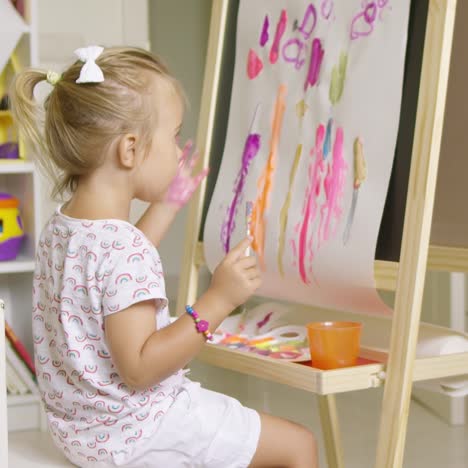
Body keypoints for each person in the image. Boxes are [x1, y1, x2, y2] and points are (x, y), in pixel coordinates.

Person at [11, 45, 318, 467]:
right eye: (174, 136)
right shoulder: (123, 251)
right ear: (130, 150)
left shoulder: (62, 228)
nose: (178, 151)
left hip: (85, 434)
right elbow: (140, 366)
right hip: (139, 432)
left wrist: (169, 204)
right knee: (299, 446)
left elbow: (114, 276)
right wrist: (220, 299)